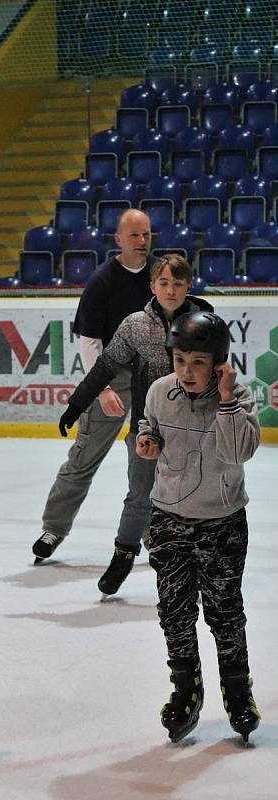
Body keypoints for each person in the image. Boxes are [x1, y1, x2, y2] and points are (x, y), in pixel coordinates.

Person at [136, 310, 261, 743]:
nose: (186, 372)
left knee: (225, 614)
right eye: (180, 360)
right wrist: (146, 441)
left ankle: (238, 692)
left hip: (222, 523)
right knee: (174, 613)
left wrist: (225, 398)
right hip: (169, 519)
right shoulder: (159, 392)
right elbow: (147, 426)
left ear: (220, 363)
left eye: (199, 363)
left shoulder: (240, 399)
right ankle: (185, 688)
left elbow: (237, 453)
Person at [59, 255, 213, 596]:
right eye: (163, 283)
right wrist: (76, 405)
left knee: (195, 497)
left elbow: (217, 372)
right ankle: (123, 555)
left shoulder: (204, 322)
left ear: (189, 285)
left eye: (177, 283)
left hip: (193, 427)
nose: (170, 290)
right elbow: (106, 365)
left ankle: (196, 561)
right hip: (148, 426)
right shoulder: (135, 326)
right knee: (140, 495)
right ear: (152, 286)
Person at [33, 209, 154, 563]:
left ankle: (150, 534)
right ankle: (53, 527)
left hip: (151, 379)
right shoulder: (102, 281)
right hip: (111, 377)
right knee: (84, 456)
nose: (142, 241)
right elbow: (90, 341)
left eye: (146, 234)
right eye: (134, 235)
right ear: (119, 240)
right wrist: (100, 389)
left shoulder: (159, 275)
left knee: (148, 461)